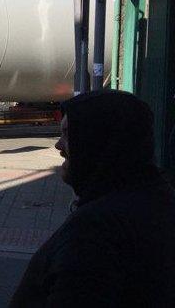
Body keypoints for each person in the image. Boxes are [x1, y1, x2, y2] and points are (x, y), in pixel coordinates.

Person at [10, 89, 175, 306]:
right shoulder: (158, 200)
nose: (58, 146)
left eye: (68, 135)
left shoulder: (94, 233)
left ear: (96, 141)